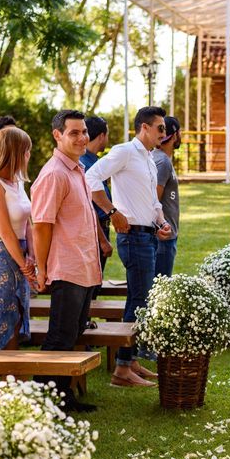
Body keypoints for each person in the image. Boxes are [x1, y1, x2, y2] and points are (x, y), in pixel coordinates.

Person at [86, 106, 171, 388]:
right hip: (132, 237)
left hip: (148, 235)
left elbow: (151, 201)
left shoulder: (148, 158)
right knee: (138, 300)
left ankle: (131, 361)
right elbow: (91, 177)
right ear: (144, 128)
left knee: (139, 299)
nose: (164, 133)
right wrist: (111, 212)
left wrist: (161, 222)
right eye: (160, 128)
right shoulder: (124, 151)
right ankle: (122, 370)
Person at [31, 110, 105, 412]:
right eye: (74, 132)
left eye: (84, 131)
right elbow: (42, 224)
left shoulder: (77, 170)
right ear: (57, 135)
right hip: (66, 269)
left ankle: (62, 396)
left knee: (73, 333)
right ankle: (40, 397)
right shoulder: (54, 174)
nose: (82, 137)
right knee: (60, 335)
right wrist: (43, 268)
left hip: (84, 267)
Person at [0, 127, 36, 350]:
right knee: (4, 313)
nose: (29, 155)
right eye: (27, 150)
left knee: (19, 313)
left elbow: (28, 222)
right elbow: (5, 232)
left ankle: (13, 378)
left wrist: (32, 255)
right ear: (16, 152)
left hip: (21, 254)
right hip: (3, 256)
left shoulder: (19, 182)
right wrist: (25, 267)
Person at [79, 116, 113, 295]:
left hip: (102, 228)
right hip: (95, 230)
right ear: (101, 136)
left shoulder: (94, 160)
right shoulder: (84, 164)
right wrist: (103, 240)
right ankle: (86, 319)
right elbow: (88, 206)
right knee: (90, 284)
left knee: (95, 283)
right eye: (107, 135)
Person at [152, 116, 181, 277]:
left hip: (167, 233)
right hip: (163, 236)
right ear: (175, 134)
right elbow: (154, 198)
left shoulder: (162, 159)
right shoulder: (162, 161)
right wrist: (161, 227)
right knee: (160, 289)